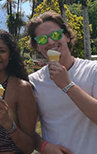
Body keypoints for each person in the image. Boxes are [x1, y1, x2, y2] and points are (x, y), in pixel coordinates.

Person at [27, 10, 97, 154]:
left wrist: (66, 85)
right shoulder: (34, 82)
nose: (50, 42)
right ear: (37, 46)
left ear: (67, 37)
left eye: (56, 35)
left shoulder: (92, 70)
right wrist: (44, 146)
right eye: (42, 39)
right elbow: (27, 132)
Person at [0, 28, 37, 154]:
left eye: (2, 51)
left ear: (10, 55)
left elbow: (29, 146)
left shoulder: (21, 88)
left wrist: (9, 124)